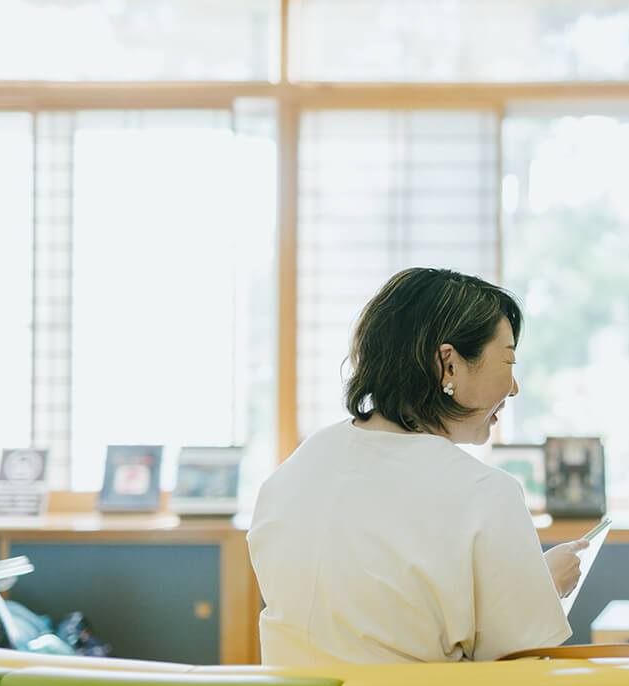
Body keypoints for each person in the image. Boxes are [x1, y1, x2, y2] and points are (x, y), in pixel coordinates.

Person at [248, 267, 588, 665]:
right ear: (449, 364)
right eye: (508, 360)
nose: (514, 387)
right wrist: (541, 587)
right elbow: (517, 671)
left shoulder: (296, 469)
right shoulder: (485, 492)